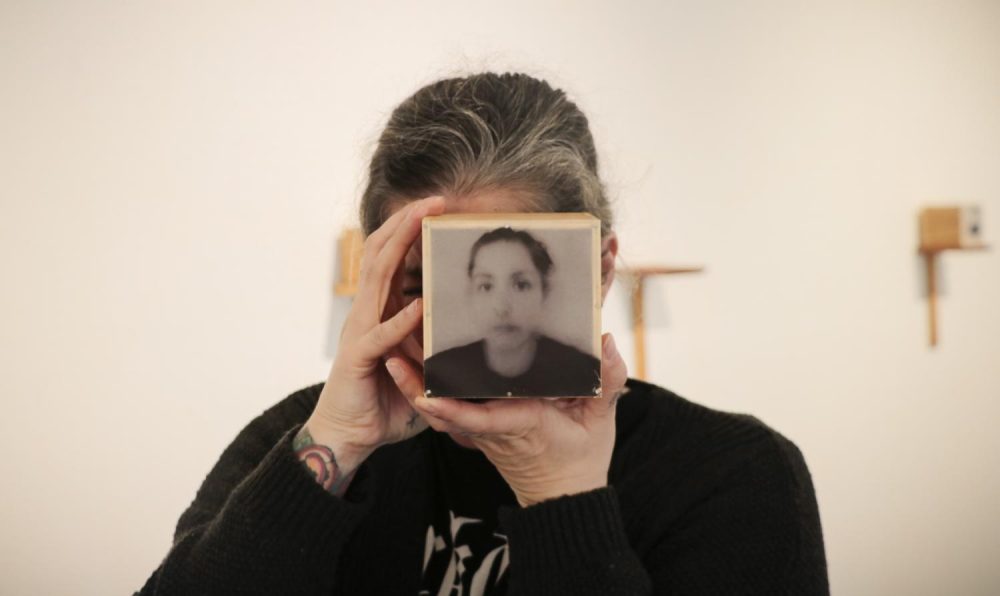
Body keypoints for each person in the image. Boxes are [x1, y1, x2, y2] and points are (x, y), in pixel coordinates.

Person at [138, 72, 829, 595]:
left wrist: (561, 495)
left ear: (599, 269)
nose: (485, 325)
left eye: (521, 285)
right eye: (422, 288)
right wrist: (335, 448)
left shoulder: (730, 474)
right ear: (376, 279)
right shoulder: (303, 443)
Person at [424, 227, 601, 398]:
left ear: (544, 292)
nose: (502, 307)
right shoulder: (437, 373)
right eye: (486, 286)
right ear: (470, 293)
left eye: (521, 285)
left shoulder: (584, 374)